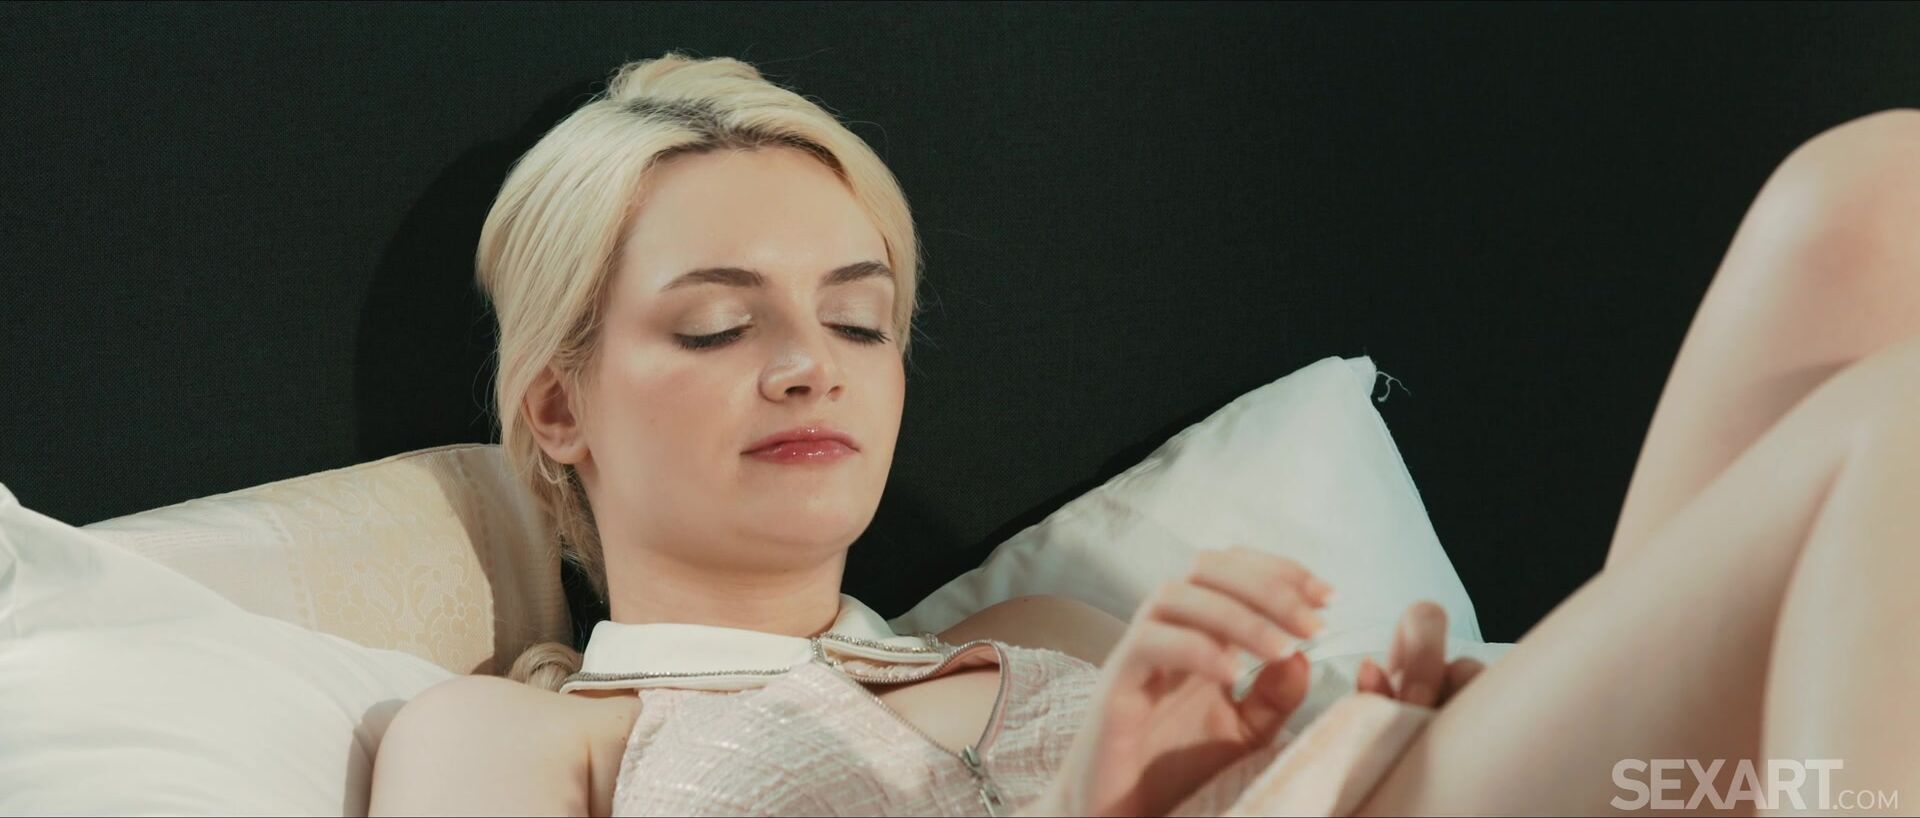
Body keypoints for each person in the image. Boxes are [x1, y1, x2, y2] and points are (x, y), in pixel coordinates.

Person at [366, 50, 1920, 817]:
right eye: (719, 325)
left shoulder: (1042, 633)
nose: (806, 368)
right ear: (556, 402)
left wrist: (1374, 713)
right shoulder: (516, 739)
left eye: (857, 320)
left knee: (1871, 196)